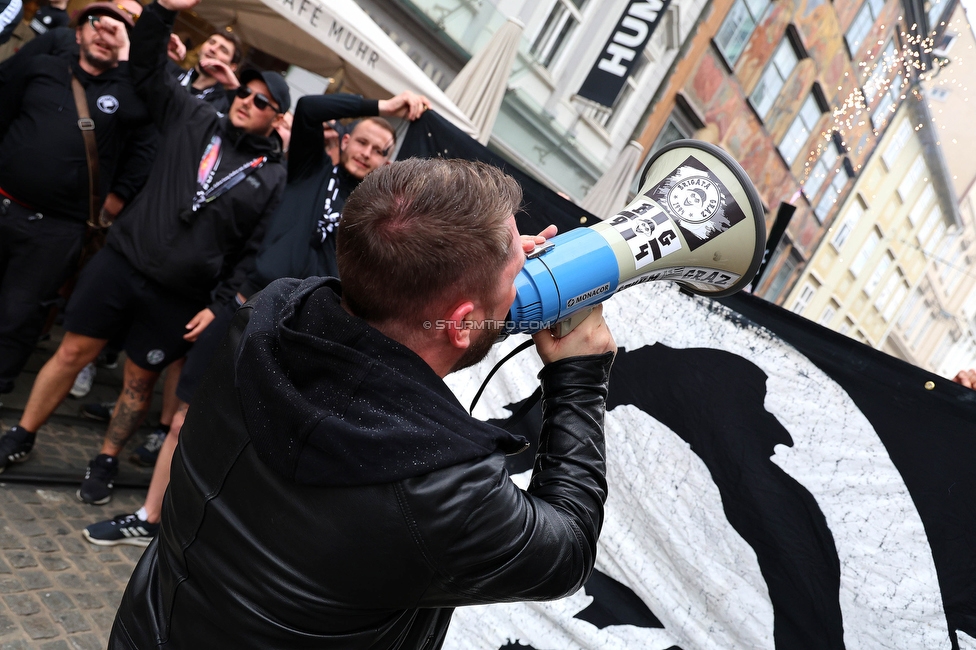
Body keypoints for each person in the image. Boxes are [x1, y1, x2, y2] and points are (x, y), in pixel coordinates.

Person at [109, 156, 616, 648]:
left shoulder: (267, 315)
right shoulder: (445, 488)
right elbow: (568, 551)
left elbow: (397, 307)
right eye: (517, 270)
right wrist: (579, 374)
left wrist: (482, 284)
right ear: (461, 322)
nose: (523, 272)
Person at [83, 87, 431, 546]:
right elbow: (309, 108)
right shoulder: (308, 169)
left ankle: (201, 533)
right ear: (344, 142)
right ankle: (149, 518)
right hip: (244, 309)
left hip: (301, 336)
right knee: (184, 420)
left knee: (252, 441)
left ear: (387, 162)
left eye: (379, 150)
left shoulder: (376, 216)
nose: (367, 153)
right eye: (362, 142)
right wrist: (382, 107)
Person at [0, 0, 289, 508]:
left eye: (262, 101)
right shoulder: (194, 114)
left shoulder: (272, 177)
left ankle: (107, 457)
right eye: (244, 91)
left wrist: (221, 304)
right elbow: (147, 65)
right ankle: (21, 434)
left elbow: (253, 251)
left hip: (179, 292)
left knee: (139, 380)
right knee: (72, 351)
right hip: (122, 261)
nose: (247, 101)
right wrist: (161, 11)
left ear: (276, 117)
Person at [0, 1, 154, 398]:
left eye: (117, 31)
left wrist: (115, 201)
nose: (104, 34)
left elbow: (145, 149)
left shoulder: (129, 94)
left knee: (18, 317)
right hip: (3, 202)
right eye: (97, 25)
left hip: (56, 230)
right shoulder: (45, 65)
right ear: (78, 32)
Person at [166, 27, 242, 113]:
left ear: (232, 67)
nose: (213, 49)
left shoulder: (223, 105)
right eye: (211, 42)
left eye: (223, 50)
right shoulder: (169, 72)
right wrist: (161, 44)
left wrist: (234, 88)